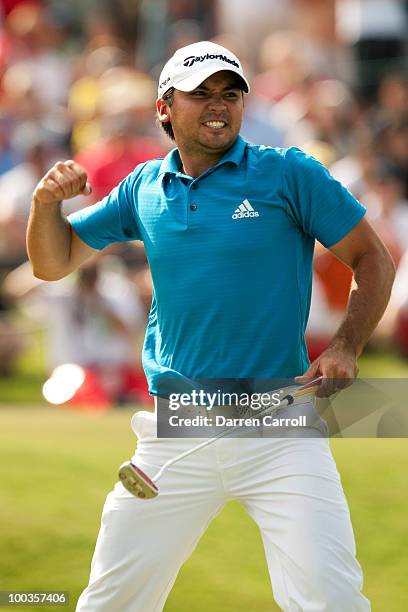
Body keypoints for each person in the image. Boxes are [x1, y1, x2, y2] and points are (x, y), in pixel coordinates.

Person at [27, 41, 395, 612]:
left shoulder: (289, 173)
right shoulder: (142, 188)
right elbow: (52, 263)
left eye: (230, 94)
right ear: (164, 109)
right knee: (111, 602)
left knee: (331, 598)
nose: (218, 105)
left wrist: (347, 343)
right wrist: (45, 203)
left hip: (281, 430)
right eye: (200, 95)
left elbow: (374, 258)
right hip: (174, 433)